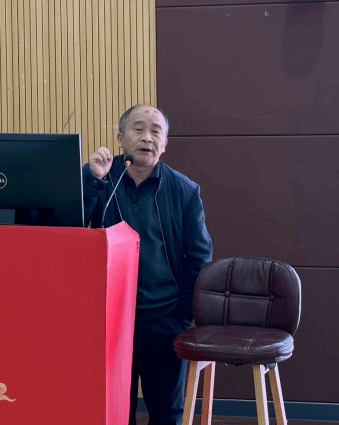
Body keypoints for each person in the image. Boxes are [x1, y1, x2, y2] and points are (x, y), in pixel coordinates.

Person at [82, 104, 213, 425]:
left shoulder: (184, 191)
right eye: (138, 129)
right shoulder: (100, 179)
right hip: (108, 318)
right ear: (120, 138)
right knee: (111, 411)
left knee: (166, 413)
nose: (147, 137)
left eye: (156, 131)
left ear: (165, 144)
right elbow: (68, 227)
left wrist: (183, 316)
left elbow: (200, 257)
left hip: (164, 317)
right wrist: (91, 181)